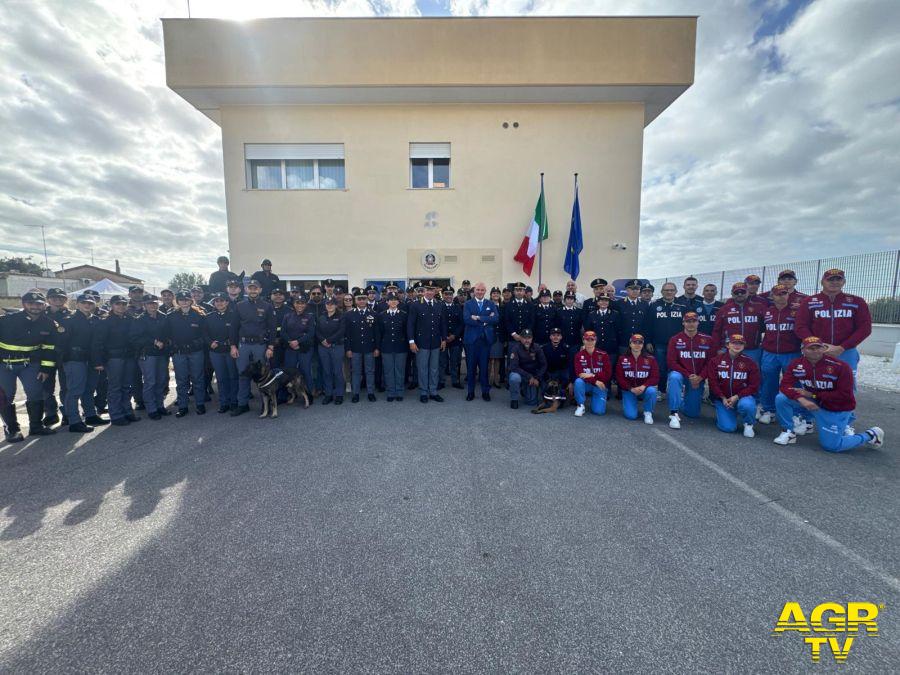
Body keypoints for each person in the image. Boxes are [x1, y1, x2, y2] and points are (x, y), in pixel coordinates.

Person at [774, 336, 883, 451]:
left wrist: (813, 395)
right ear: (803, 350)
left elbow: (844, 395)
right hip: (813, 402)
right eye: (811, 348)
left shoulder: (841, 366)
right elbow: (785, 385)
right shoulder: (796, 364)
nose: (815, 351)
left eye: (818, 347)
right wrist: (801, 399)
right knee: (782, 398)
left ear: (824, 348)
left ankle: (871, 435)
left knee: (832, 446)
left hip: (836, 407)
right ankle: (789, 431)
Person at [794, 268, 871, 386]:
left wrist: (842, 347)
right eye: (830, 279)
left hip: (846, 351)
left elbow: (865, 328)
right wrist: (818, 345)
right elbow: (800, 327)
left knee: (846, 385)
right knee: (815, 384)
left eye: (838, 279)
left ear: (844, 282)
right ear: (822, 282)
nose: (834, 282)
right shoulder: (809, 301)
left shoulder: (856, 301)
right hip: (816, 351)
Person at [0, 291, 59, 441]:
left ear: (44, 305)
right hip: (5, 364)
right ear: (24, 304)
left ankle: (36, 427)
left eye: (39, 304)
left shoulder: (48, 323)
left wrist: (46, 369)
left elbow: (49, 348)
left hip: (31, 364)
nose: (35, 306)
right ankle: (12, 430)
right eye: (31, 303)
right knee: (6, 396)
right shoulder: (7, 320)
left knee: (35, 394)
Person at [59, 294, 108, 432]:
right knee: (75, 391)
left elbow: (98, 342)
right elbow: (62, 344)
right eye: (84, 302)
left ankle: (90, 415)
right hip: (75, 359)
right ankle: (74, 421)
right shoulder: (69, 321)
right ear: (77, 304)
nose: (87, 305)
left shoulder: (96, 320)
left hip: (92, 360)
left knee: (89, 389)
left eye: (90, 303)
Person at [92, 295, 140, 427]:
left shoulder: (130, 319)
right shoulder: (105, 322)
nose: (121, 306)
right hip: (114, 358)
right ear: (112, 305)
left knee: (127, 386)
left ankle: (127, 411)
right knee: (115, 387)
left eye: (123, 304)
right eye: (118, 304)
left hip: (128, 357)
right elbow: (98, 343)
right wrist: (98, 361)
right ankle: (116, 415)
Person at [230, 278, 276, 416]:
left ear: (260, 290)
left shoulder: (267, 306)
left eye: (255, 288)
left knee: (263, 375)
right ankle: (242, 404)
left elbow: (272, 328)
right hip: (243, 345)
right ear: (246, 290)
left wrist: (271, 347)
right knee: (243, 374)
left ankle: (265, 404)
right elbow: (233, 328)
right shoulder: (239, 306)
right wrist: (233, 346)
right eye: (250, 288)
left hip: (260, 345)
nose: (253, 290)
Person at [758, 284, 801, 425]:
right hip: (769, 353)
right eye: (778, 294)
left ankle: (794, 412)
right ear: (772, 296)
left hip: (791, 353)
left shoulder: (797, 311)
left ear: (788, 295)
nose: (781, 296)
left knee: (793, 383)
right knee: (768, 382)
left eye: (784, 293)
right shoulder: (767, 312)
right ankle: (769, 410)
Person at [666, 312, 715, 429]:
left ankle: (681, 400)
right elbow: (671, 362)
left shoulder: (708, 340)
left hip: (698, 378)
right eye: (688, 321)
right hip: (682, 374)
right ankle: (673, 412)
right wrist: (688, 375)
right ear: (683, 323)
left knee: (693, 413)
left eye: (694, 321)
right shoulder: (675, 339)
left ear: (698, 322)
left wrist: (700, 377)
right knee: (674, 377)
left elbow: (711, 363)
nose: (691, 324)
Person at [704, 334, 759, 437]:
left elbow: (754, 385)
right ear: (727, 345)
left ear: (744, 346)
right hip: (723, 400)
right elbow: (713, 383)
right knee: (728, 428)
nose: (737, 346)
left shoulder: (750, 362)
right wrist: (722, 397)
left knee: (747, 405)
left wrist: (737, 397)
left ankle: (748, 424)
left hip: (742, 397)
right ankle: (728, 413)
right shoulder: (715, 361)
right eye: (734, 343)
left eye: (740, 343)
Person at [130, 294, 171, 420]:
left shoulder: (163, 317)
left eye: (154, 303)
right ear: (144, 305)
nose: (152, 305)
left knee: (161, 381)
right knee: (150, 382)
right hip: (147, 354)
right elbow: (134, 338)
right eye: (149, 303)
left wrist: (166, 342)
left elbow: (167, 333)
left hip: (162, 353)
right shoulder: (139, 319)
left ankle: (160, 406)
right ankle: (151, 409)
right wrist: (153, 341)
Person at [166, 290, 207, 417]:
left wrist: (198, 343)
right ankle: (183, 406)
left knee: (198, 378)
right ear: (177, 301)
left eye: (186, 299)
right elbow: (167, 334)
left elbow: (205, 333)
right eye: (181, 299)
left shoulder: (199, 315)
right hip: (179, 352)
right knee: (181, 380)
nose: (184, 302)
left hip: (195, 351)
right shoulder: (171, 316)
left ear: (191, 300)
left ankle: (200, 404)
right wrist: (172, 346)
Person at [407, 282, 447, 403]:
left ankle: (433, 391)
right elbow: (410, 324)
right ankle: (424, 392)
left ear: (435, 291)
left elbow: (443, 324)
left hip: (435, 342)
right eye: (427, 290)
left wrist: (444, 339)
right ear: (423, 291)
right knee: (423, 368)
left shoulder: (439, 305)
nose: (429, 292)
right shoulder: (416, 305)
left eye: (432, 290)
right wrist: (411, 341)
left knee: (434, 368)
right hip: (421, 343)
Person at [645, 282, 686, 392]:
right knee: (661, 369)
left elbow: (688, 325)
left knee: (678, 369)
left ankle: (677, 391)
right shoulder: (654, 305)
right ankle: (661, 390)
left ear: (676, 292)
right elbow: (648, 325)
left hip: (678, 345)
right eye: (666, 290)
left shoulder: (683, 305)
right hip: (660, 344)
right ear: (662, 292)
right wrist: (648, 341)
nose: (669, 292)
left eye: (671, 290)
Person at [712, 282, 765, 364]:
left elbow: (766, 327)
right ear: (732, 294)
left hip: (752, 350)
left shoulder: (759, 307)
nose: (739, 294)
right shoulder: (724, 309)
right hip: (729, 349)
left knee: (753, 371)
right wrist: (718, 348)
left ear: (748, 292)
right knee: (729, 371)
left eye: (742, 292)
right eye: (736, 292)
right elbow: (717, 331)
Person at [463, 282, 499, 401]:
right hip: (471, 341)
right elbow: (467, 319)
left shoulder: (490, 304)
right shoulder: (468, 304)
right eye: (478, 290)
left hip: (485, 341)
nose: (479, 292)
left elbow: (496, 318)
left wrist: (478, 318)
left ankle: (485, 392)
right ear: (474, 291)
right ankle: (470, 392)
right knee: (471, 368)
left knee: (484, 368)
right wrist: (486, 320)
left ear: (485, 291)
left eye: (482, 290)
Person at [204, 292, 239, 414]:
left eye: (222, 301)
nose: (219, 303)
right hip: (216, 352)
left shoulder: (234, 315)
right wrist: (210, 342)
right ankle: (224, 402)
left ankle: (234, 401)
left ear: (227, 302)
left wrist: (234, 344)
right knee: (221, 377)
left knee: (233, 376)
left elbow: (238, 331)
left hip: (230, 350)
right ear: (214, 303)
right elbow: (204, 333)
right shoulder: (208, 317)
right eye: (217, 301)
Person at [42, 287, 70, 427]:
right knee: (46, 387)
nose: (57, 300)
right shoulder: (41, 315)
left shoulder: (71, 315)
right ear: (48, 299)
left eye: (61, 297)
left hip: (65, 355)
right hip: (45, 356)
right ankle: (51, 414)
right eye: (54, 297)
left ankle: (67, 413)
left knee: (66, 387)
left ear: (65, 299)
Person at [344, 290, 378, 402]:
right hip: (355, 348)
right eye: (359, 298)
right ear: (355, 300)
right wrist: (348, 349)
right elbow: (347, 334)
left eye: (364, 298)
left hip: (369, 347)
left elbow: (376, 333)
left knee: (370, 371)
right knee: (356, 371)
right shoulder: (349, 315)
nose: (362, 301)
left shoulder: (373, 314)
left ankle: (370, 392)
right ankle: (356, 393)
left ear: (367, 299)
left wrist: (376, 348)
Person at [616, 334, 658, 424]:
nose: (637, 345)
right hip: (629, 390)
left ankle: (648, 412)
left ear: (643, 345)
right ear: (630, 344)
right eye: (634, 342)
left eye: (640, 343)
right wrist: (630, 388)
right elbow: (619, 378)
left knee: (652, 391)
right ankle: (631, 403)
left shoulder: (651, 359)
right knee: (631, 416)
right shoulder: (622, 359)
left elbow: (655, 377)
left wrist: (644, 386)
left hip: (644, 389)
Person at [281, 294, 317, 394]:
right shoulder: (287, 316)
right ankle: (291, 394)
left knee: (305, 370)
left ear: (305, 304)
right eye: (297, 303)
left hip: (305, 348)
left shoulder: (310, 316)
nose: (300, 305)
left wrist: (298, 342)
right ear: (294, 304)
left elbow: (311, 333)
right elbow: (283, 332)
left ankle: (310, 392)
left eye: (302, 303)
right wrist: (291, 342)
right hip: (290, 347)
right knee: (289, 371)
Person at [376, 293, 408, 402]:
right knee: (388, 371)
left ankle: (399, 392)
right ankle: (390, 392)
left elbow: (406, 332)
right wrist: (379, 347)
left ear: (398, 302)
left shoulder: (404, 315)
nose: (393, 301)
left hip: (401, 347)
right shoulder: (381, 315)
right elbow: (379, 333)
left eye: (395, 300)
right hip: (386, 346)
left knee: (400, 370)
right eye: (391, 300)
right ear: (387, 302)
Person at [572, 330, 612, 417]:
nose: (589, 342)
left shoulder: (603, 354)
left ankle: (596, 400)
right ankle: (580, 405)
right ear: (583, 340)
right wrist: (595, 381)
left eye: (592, 339)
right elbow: (580, 374)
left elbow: (607, 374)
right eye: (587, 339)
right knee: (578, 381)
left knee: (599, 412)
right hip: (587, 384)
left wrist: (592, 375)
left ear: (596, 340)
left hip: (600, 385)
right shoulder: (578, 355)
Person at [316, 297, 346, 405]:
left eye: (332, 304)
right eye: (327, 304)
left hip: (336, 347)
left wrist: (328, 340)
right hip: (323, 347)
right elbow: (317, 331)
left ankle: (339, 395)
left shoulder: (341, 316)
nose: (329, 306)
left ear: (336, 305)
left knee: (337, 372)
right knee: (326, 371)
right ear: (325, 305)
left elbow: (341, 331)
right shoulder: (321, 316)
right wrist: (322, 340)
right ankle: (328, 394)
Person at [508, 328, 546, 409]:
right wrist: (529, 376)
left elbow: (544, 365)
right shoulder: (515, 348)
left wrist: (537, 377)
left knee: (531, 402)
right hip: (521, 374)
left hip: (533, 375)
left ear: (532, 338)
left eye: (529, 338)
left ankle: (523, 389)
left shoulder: (537, 347)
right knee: (514, 377)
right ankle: (514, 399)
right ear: (520, 338)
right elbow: (514, 367)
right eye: (524, 338)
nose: (527, 340)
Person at [440, 286, 464, 389]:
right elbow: (437, 323)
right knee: (442, 362)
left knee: (455, 361)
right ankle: (441, 381)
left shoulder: (458, 307)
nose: (448, 296)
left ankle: (455, 381)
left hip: (455, 339)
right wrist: (444, 336)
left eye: (450, 294)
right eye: (446, 294)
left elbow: (461, 323)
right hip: (443, 339)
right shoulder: (439, 306)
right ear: (443, 295)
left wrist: (454, 335)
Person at [582, 294, 619, 359]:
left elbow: (618, 330)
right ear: (598, 302)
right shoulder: (592, 314)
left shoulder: (615, 314)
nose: (604, 302)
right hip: (596, 346)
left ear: (609, 303)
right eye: (601, 300)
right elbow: (588, 330)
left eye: (606, 301)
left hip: (610, 346)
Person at [488, 286, 505, 388]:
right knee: (489, 359)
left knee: (498, 359)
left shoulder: (503, 307)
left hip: (499, 336)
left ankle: (496, 380)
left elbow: (505, 323)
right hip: (489, 336)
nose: (496, 295)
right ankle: (488, 380)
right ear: (491, 295)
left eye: (497, 293)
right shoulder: (487, 306)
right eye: (494, 293)